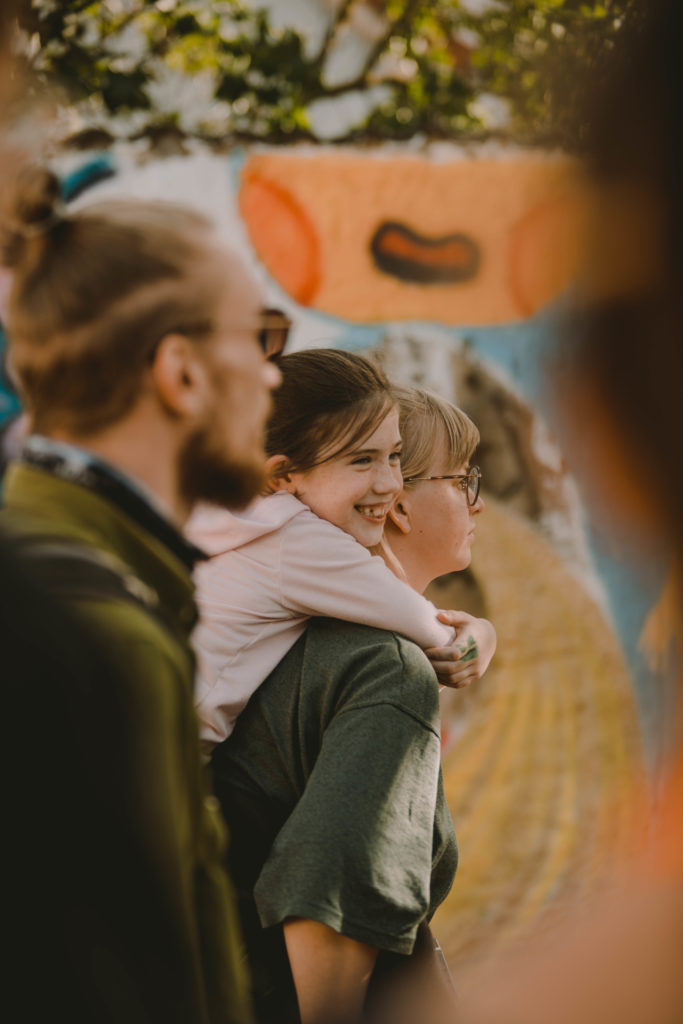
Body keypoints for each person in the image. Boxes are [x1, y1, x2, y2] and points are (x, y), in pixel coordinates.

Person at [0, 165, 282, 1024]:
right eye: (259, 337)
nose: (274, 377)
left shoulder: (65, 577)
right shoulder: (103, 634)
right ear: (181, 372)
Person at [208, 383, 486, 1024]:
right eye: (463, 478)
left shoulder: (294, 641)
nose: (479, 503)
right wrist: (479, 641)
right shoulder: (383, 666)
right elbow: (328, 895)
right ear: (398, 508)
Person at [188, 348, 495, 750]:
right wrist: (484, 636)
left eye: (395, 456)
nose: (389, 483)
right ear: (282, 475)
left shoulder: (238, 518)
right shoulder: (299, 541)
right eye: (362, 460)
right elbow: (436, 638)